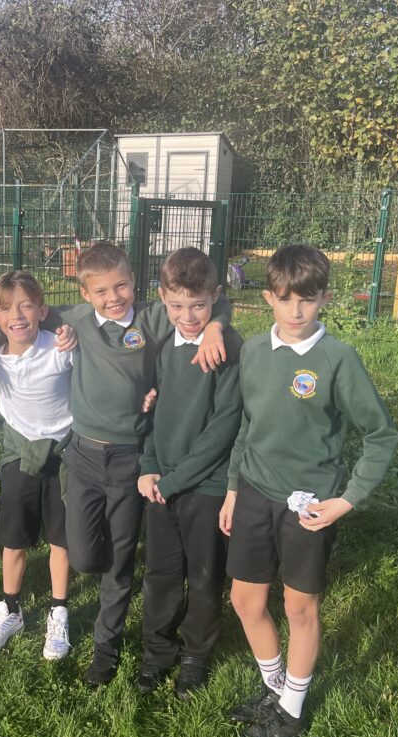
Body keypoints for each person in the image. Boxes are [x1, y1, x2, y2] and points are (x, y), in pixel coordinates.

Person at [0, 242, 232, 687]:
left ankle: (107, 646)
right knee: (86, 555)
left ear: (134, 281)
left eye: (122, 285)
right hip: (82, 455)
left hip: (130, 459)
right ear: (84, 293)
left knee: (119, 564)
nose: (114, 297)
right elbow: (16, 317)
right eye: (101, 290)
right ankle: (96, 587)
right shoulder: (74, 319)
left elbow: (211, 303)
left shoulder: (153, 316)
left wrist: (218, 327)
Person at [219, 244, 398, 737]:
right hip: (254, 490)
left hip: (309, 505)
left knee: (300, 608)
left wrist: (347, 499)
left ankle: (292, 709)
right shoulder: (253, 351)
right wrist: (234, 487)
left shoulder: (337, 360)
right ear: (268, 298)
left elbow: (381, 434)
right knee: (244, 600)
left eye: (308, 299)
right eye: (284, 299)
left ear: (325, 298)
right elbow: (246, 425)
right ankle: (274, 686)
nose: (296, 311)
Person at [135, 248, 243, 699]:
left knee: (203, 575)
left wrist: (175, 481)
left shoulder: (226, 348)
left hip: (205, 486)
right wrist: (149, 467)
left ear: (215, 297)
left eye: (199, 305)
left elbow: (223, 427)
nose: (188, 315)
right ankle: (156, 652)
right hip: (163, 484)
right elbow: (159, 417)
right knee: (160, 573)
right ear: (162, 299)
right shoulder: (164, 347)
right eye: (177, 306)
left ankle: (195, 655)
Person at [0, 271, 74, 660]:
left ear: (42, 311)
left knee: (60, 537)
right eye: (6, 309)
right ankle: (11, 608)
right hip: (18, 451)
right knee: (14, 536)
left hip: (64, 451)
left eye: (26, 306)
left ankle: (59, 609)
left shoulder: (61, 348)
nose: (17, 316)